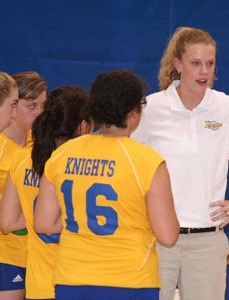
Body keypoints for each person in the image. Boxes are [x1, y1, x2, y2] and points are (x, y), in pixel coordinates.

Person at [131, 27, 229, 300]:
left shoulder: (227, 107)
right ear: (177, 65)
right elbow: (128, 163)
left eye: (210, 64)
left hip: (207, 241)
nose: (204, 72)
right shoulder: (150, 108)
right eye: (195, 63)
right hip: (156, 239)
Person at [33, 69, 179, 300]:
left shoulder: (62, 154)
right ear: (133, 114)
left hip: (71, 278)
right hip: (129, 279)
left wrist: (84, 224)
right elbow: (168, 235)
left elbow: (42, 223)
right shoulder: (146, 160)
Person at [0, 86, 92, 299]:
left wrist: (35, 215)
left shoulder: (22, 159)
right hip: (77, 279)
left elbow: (6, 222)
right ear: (83, 126)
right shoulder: (80, 165)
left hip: (38, 283)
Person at [0, 71, 47, 300]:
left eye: (43, 106)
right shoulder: (2, 147)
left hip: (36, 255)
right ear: (14, 106)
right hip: (6, 254)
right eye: (32, 106)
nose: (40, 112)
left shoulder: (39, 147)